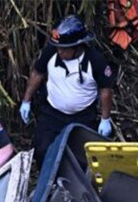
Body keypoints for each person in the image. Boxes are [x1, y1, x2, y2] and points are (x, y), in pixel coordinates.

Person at [20, 15, 115, 163]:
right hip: (52, 114)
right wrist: (26, 101)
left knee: (82, 158)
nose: (59, 51)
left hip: (83, 116)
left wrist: (105, 119)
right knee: (42, 151)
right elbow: (37, 73)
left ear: (77, 46)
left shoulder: (95, 61)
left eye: (64, 49)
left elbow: (105, 90)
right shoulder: (51, 53)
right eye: (58, 47)